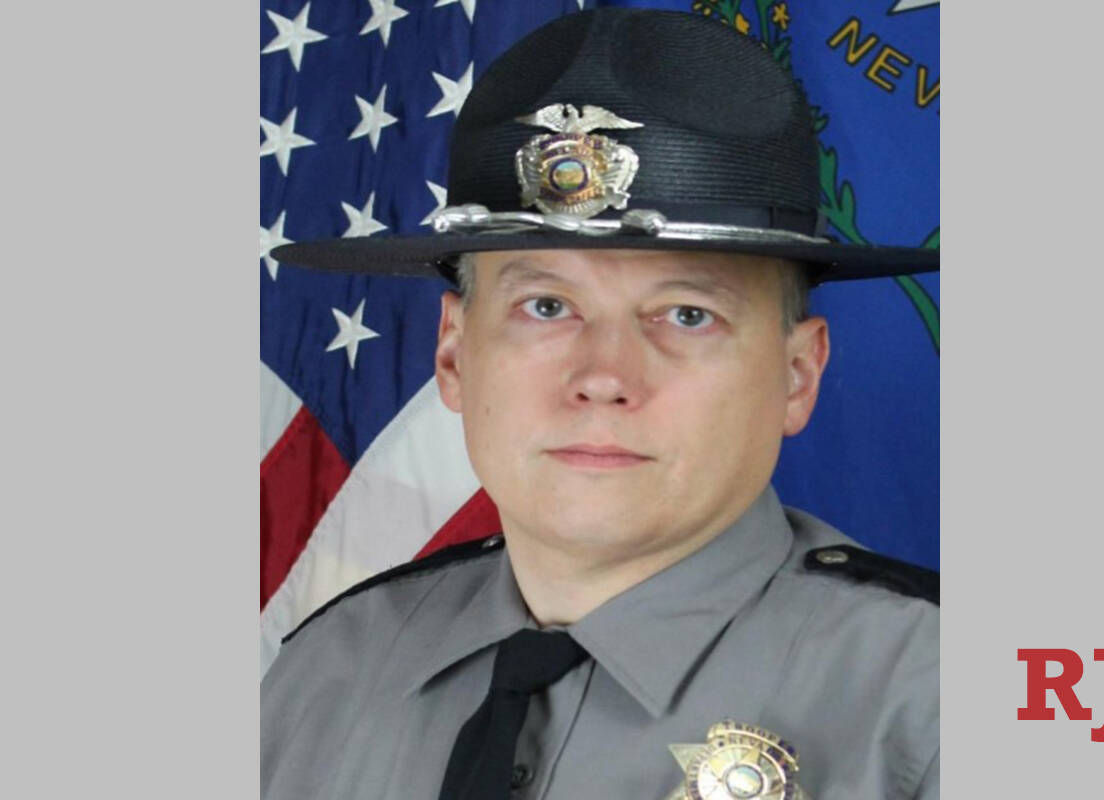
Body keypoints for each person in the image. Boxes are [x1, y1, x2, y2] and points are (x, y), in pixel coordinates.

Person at [263, 8, 939, 800]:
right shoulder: (324, 676)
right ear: (453, 355)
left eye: (687, 314)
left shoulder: (931, 709)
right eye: (547, 306)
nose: (604, 376)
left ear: (796, 376)